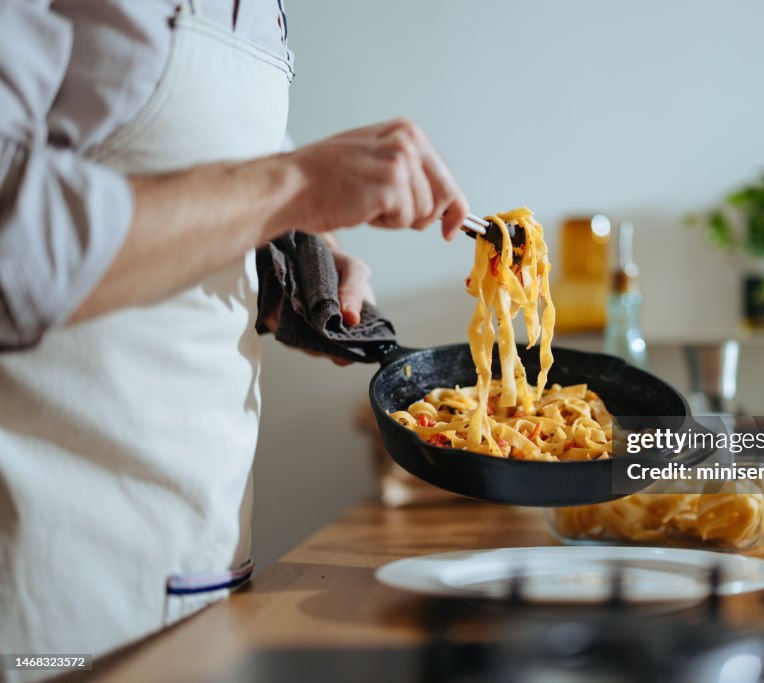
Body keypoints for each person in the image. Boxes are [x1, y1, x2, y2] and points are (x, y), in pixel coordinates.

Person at [0, 0, 469, 676]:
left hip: (201, 568)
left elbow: (192, 183)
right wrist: (296, 183)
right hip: (43, 586)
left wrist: (291, 270)